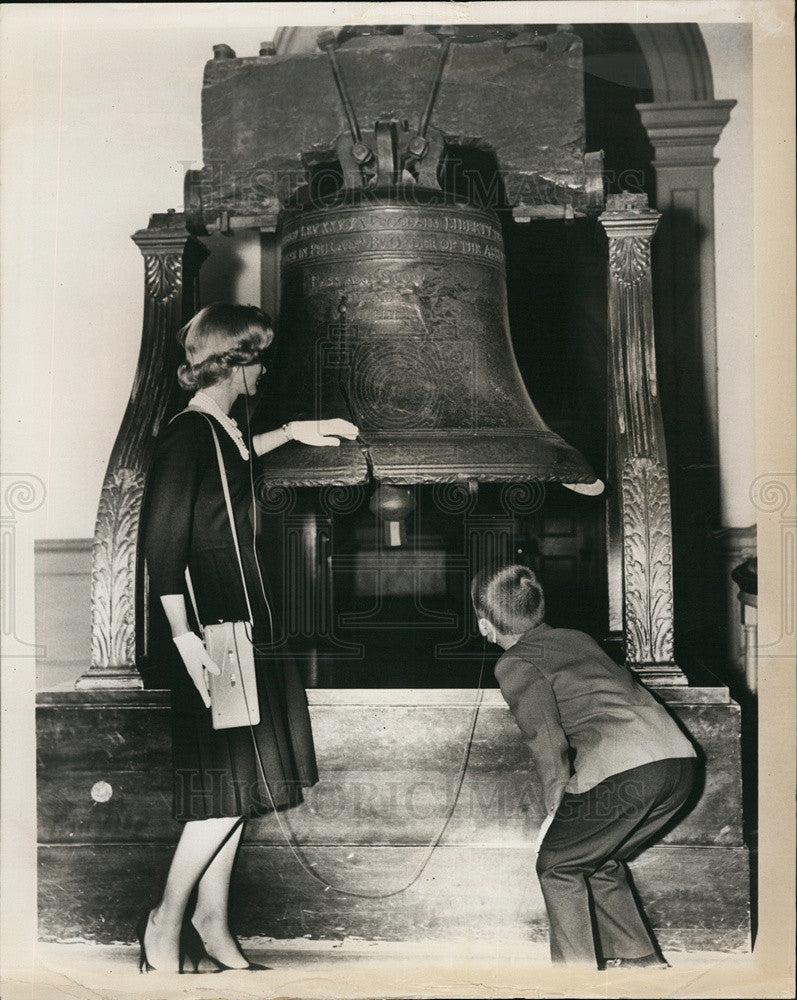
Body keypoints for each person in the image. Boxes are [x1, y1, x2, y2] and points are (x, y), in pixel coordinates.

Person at [139, 302, 358, 973]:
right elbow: (161, 547)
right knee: (223, 792)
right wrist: (187, 642)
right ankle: (164, 923)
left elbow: (236, 459)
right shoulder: (185, 437)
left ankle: (211, 920)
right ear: (233, 362)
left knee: (241, 787)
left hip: (245, 628)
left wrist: (296, 429)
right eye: (257, 357)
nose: (264, 367)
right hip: (217, 635)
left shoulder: (222, 430)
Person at [471, 563, 698, 969]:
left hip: (629, 771)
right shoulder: (577, 638)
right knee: (594, 857)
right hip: (679, 764)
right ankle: (641, 962)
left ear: (485, 624)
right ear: (539, 608)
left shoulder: (514, 662)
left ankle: (575, 983)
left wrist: (555, 805)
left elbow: (546, 741)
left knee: (557, 865)